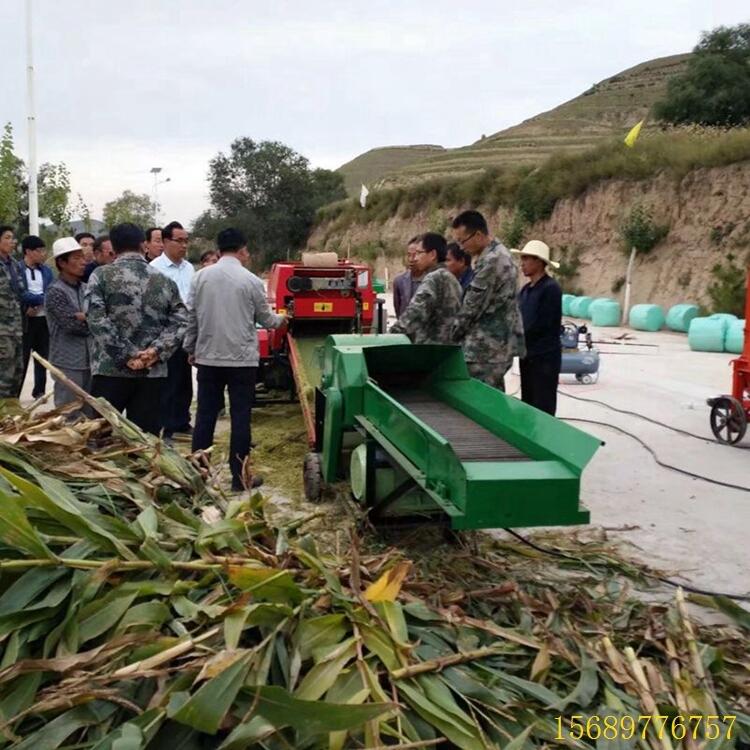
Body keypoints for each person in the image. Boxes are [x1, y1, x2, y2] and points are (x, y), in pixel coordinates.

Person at [185, 228, 285, 492]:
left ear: (219, 250)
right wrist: (285, 317)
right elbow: (267, 320)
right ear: (241, 251)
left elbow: (191, 318)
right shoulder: (250, 280)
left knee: (205, 415)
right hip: (242, 362)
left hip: (208, 358)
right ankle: (240, 478)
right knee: (241, 418)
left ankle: (200, 473)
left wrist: (190, 347)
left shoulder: (200, 278)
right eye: (247, 251)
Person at [86, 223, 187, 434]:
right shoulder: (164, 280)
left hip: (110, 371)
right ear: (143, 245)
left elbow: (96, 318)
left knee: (102, 438)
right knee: (146, 443)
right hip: (152, 373)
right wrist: (155, 352)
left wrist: (126, 355)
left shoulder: (101, 276)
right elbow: (180, 321)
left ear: (113, 247)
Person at [450, 210, 525, 391]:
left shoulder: (493, 261)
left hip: (486, 352)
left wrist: (449, 336)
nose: (460, 247)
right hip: (492, 349)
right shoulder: (495, 255)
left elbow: (471, 307)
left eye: (462, 240)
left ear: (478, 235)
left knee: (481, 404)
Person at [150, 220, 195, 439]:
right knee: (168, 381)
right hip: (165, 332)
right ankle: (165, 425)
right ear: (166, 241)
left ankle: (181, 421)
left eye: (186, 241)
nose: (184, 245)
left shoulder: (189, 268)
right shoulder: (155, 269)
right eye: (180, 241)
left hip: (187, 332)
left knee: (185, 380)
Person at [513, 240, 563, 415]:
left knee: (543, 404)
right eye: (522, 258)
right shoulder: (526, 290)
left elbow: (542, 324)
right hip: (527, 355)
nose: (523, 263)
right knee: (528, 401)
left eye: (527, 259)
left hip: (544, 358)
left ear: (539, 262)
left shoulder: (551, 289)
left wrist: (518, 336)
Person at [45, 237, 92, 409]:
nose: (83, 262)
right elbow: (71, 325)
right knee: (68, 411)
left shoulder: (86, 288)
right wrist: (90, 318)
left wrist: (84, 316)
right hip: (67, 361)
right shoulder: (55, 292)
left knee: (90, 412)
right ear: (62, 263)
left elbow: (102, 316)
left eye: (83, 257)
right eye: (76, 258)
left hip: (90, 359)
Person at [390, 233, 462, 344]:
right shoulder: (451, 278)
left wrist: (391, 335)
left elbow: (415, 313)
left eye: (419, 253)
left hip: (431, 349)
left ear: (433, 254)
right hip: (449, 348)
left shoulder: (434, 278)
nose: (415, 258)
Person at [18, 236, 53, 398]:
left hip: (43, 319)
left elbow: (51, 291)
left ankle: (39, 391)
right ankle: (16, 392)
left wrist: (38, 302)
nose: (43, 254)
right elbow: (18, 292)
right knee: (22, 357)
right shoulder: (17, 269)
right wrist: (30, 305)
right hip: (25, 320)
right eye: (39, 251)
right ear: (28, 252)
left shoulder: (46, 271)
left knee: (42, 357)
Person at [0, 225, 24, 398]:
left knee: (17, 372)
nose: (12, 241)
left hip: (16, 328)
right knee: (3, 375)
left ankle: (10, 417)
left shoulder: (14, 264)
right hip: (1, 329)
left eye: (12, 238)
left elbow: (21, 291)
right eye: (7, 237)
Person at [392, 235, 424, 319]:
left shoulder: (432, 279)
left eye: (415, 255)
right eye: (409, 255)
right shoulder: (399, 281)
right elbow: (398, 311)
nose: (411, 259)